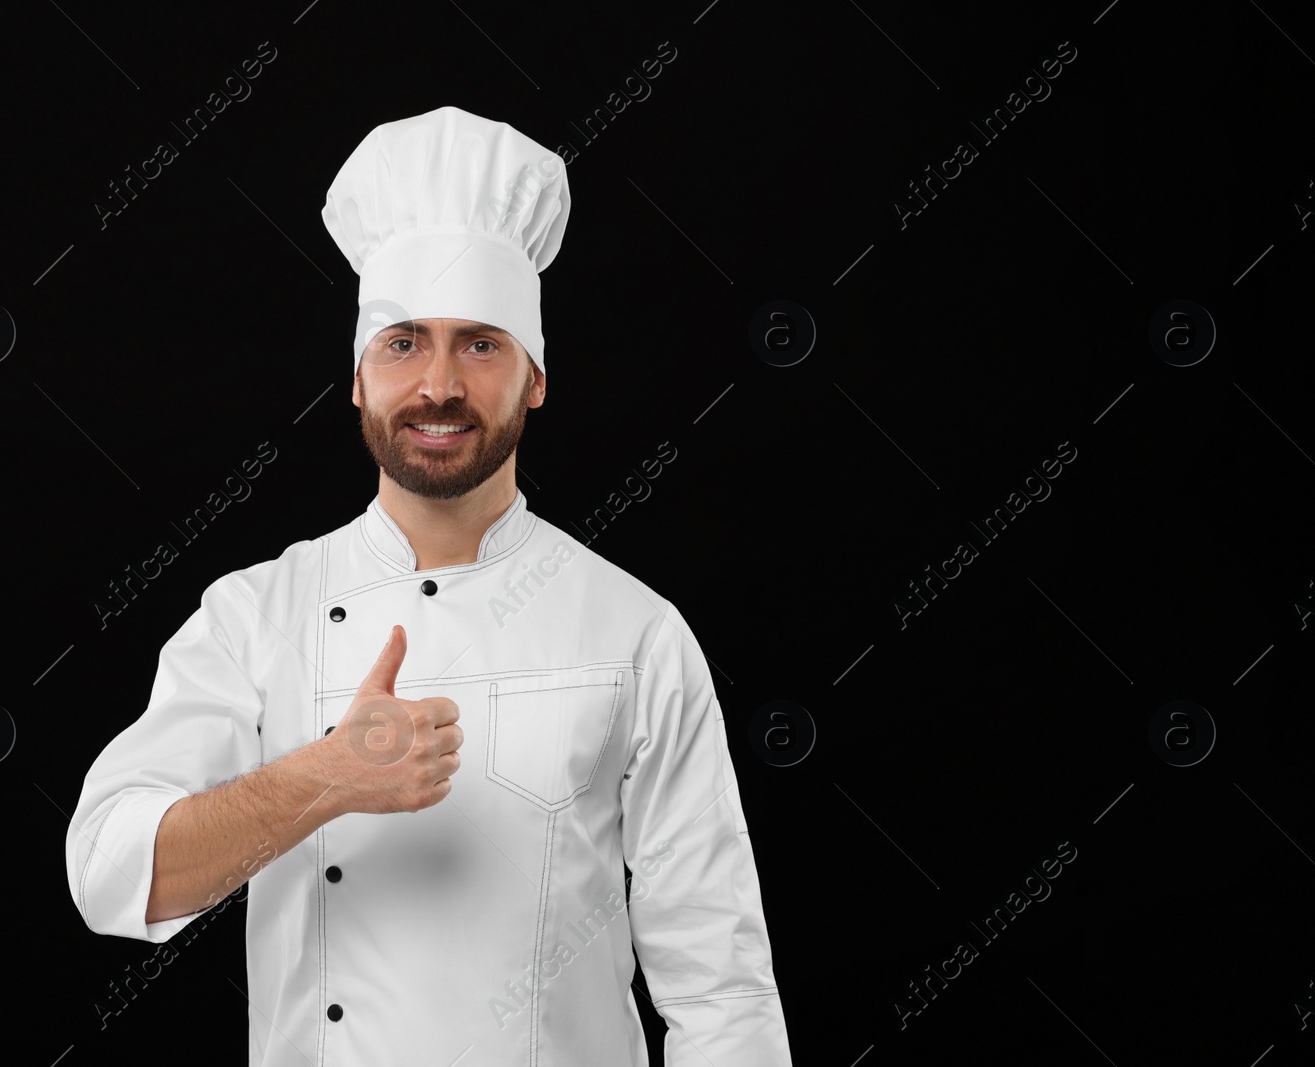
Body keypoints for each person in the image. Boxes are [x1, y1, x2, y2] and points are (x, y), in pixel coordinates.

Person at [65, 105, 791, 1066]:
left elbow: (721, 988)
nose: (439, 385)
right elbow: (112, 874)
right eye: (404, 341)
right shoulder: (257, 616)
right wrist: (323, 777)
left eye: (480, 343)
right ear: (358, 379)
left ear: (534, 376)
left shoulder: (636, 633)